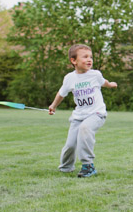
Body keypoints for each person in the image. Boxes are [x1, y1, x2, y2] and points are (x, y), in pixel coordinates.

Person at [48, 44, 118, 178]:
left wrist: (111, 85)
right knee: (70, 145)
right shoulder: (69, 78)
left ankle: (88, 166)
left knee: (85, 129)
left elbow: (104, 82)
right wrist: (53, 105)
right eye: (85, 57)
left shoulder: (95, 75)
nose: (89, 60)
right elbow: (61, 93)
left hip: (96, 114)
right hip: (78, 116)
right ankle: (66, 167)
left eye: (91, 57)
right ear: (73, 61)